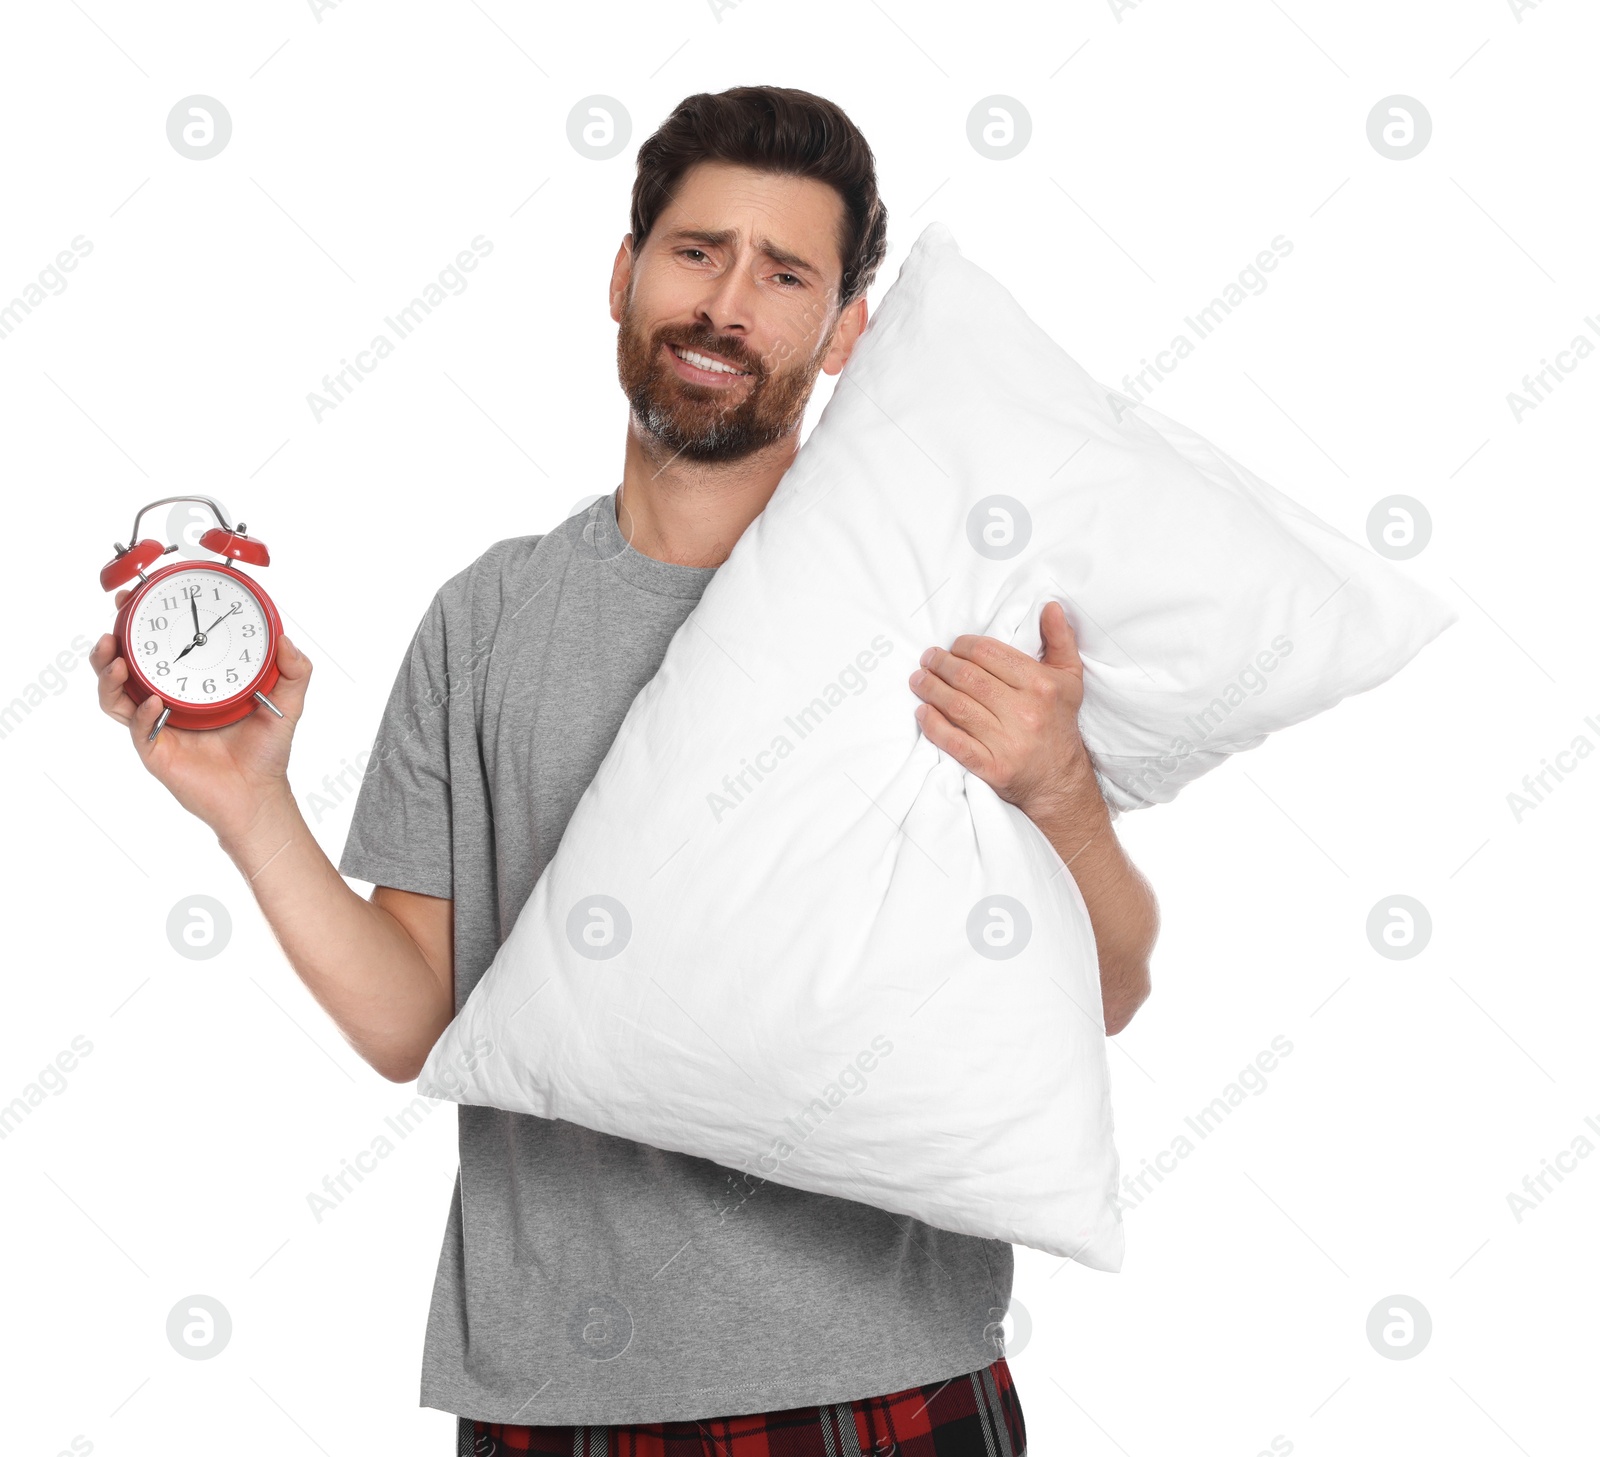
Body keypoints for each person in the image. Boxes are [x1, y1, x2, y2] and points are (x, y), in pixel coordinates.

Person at [92, 84, 1158, 1456]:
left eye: (785, 275)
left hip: (881, 1381)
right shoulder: (488, 619)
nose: (727, 304)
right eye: (697, 250)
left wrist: (1062, 790)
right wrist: (251, 805)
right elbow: (418, 1018)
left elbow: (1111, 988)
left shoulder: (938, 607)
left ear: (845, 333)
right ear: (623, 273)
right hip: (552, 1400)